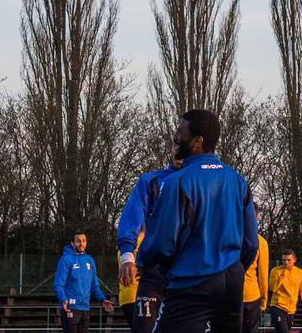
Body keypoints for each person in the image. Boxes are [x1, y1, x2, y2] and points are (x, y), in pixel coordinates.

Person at [137, 109, 258, 333]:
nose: (176, 137)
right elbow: (251, 243)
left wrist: (142, 261)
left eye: (180, 132)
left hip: (191, 281)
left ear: (197, 142)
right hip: (232, 282)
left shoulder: (178, 182)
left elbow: (162, 243)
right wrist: (231, 267)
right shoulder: (238, 181)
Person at [118, 147, 182, 333]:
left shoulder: (205, 181)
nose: (179, 151)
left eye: (183, 145)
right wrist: (127, 256)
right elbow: (132, 216)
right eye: (175, 145)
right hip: (154, 274)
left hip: (190, 275)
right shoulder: (151, 180)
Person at [54, 231, 114, 333]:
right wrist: (63, 299)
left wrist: (102, 299)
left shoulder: (90, 260)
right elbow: (58, 284)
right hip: (70, 307)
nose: (81, 243)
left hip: (85, 308)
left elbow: (94, 285)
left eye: (84, 241)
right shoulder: (66, 259)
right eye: (78, 241)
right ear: (72, 243)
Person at [241, 210, 270, 333]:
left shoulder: (228, 237)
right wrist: (264, 299)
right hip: (251, 295)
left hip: (229, 293)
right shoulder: (260, 242)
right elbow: (263, 275)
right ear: (257, 217)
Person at [269, 250, 302, 333]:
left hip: (291, 310)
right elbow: (272, 288)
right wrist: (284, 273)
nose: (286, 262)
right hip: (277, 307)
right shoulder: (275, 271)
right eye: (284, 260)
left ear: (294, 260)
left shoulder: (300, 272)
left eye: (289, 260)